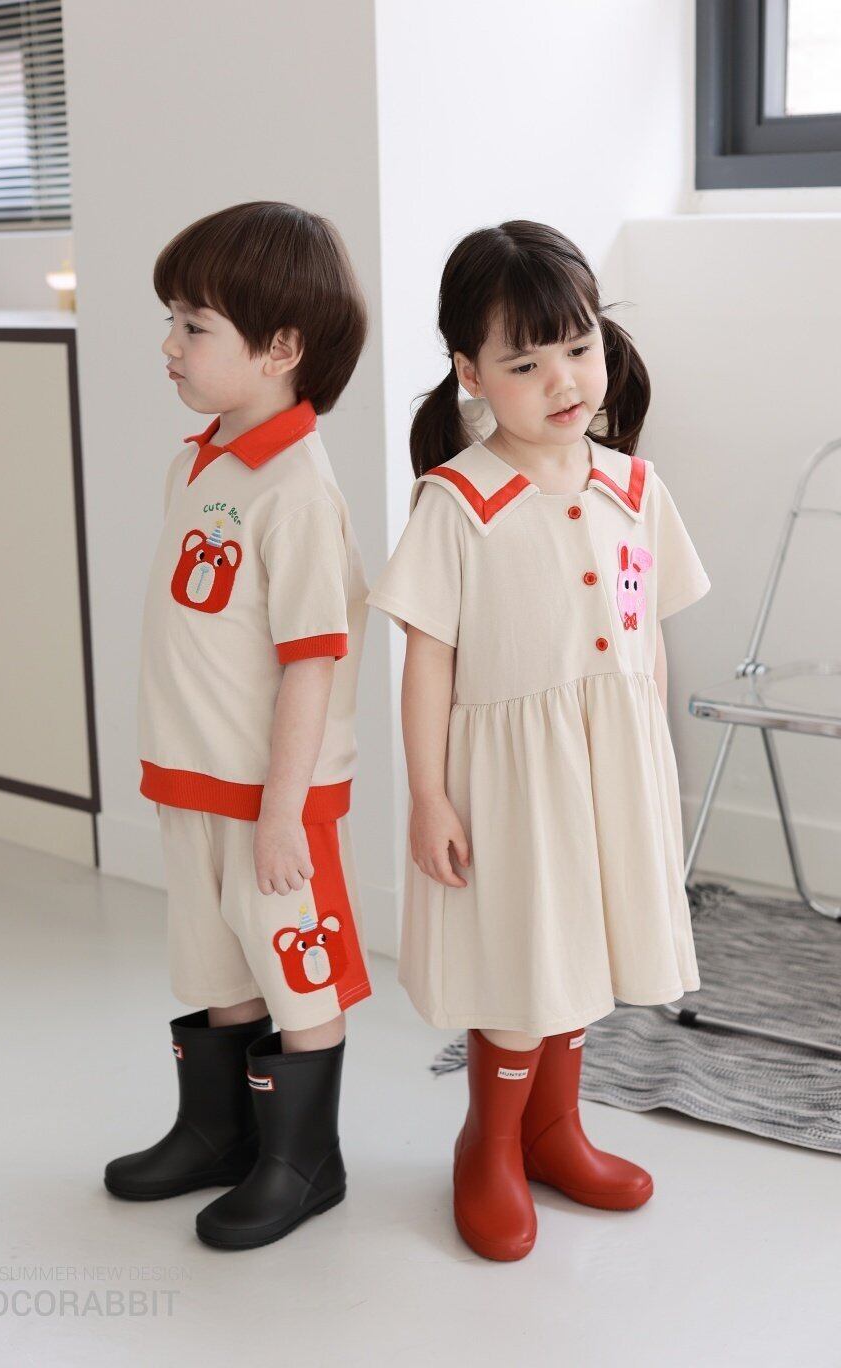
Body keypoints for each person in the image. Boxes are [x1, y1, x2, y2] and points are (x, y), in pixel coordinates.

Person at [366, 220, 711, 1262]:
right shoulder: (457, 502)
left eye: (577, 347)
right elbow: (427, 663)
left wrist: (655, 761)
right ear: (471, 374)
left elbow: (648, 639)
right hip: (513, 783)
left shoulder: (636, 488)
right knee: (523, 960)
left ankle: (557, 1132)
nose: (562, 380)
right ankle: (491, 1144)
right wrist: (429, 795)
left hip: (614, 768)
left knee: (583, 950)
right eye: (524, 363)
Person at [104, 201, 373, 1251]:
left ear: (281, 348)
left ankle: (304, 1162)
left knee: (295, 968)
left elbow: (312, 661)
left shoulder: (296, 492)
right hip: (194, 776)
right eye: (171, 321)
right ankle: (219, 1134)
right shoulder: (200, 461)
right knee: (215, 962)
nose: (169, 345)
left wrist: (284, 812)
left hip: (272, 798)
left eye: (194, 325)